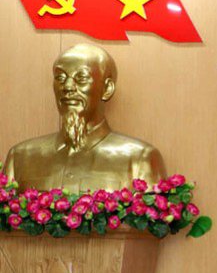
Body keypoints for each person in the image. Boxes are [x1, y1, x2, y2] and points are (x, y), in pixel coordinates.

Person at [3, 43, 165, 192]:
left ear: (107, 89)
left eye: (81, 78)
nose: (67, 87)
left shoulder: (140, 158)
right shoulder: (20, 157)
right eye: (60, 78)